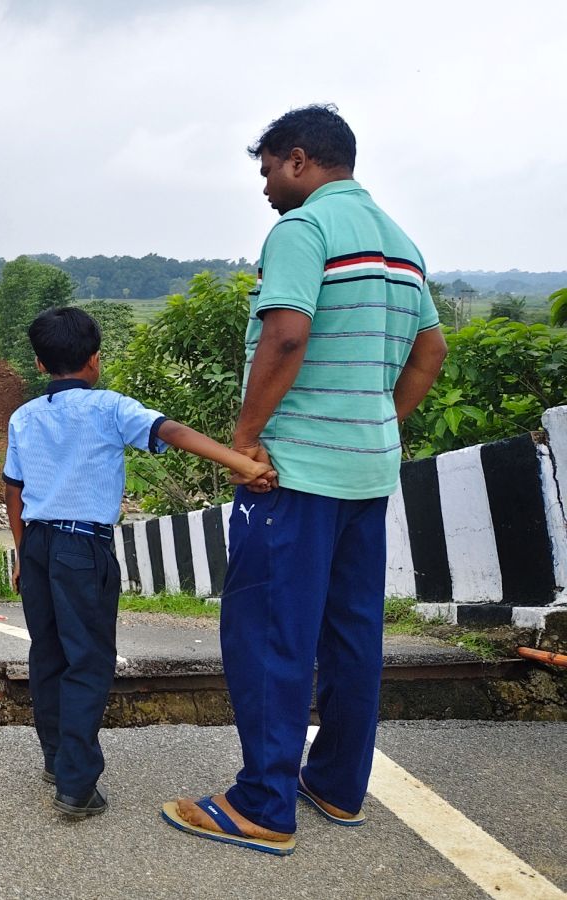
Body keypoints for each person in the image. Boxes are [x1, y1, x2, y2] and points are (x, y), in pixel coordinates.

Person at [162, 105, 446, 856]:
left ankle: (262, 804)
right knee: (352, 634)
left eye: (266, 173)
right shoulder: (401, 243)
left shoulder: (302, 231)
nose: (264, 190)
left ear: (297, 160)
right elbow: (430, 353)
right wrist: (374, 420)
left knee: (267, 633)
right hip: (366, 469)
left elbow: (287, 333)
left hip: (294, 476)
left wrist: (247, 438)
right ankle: (336, 785)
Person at [4, 306, 272, 819]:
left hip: (36, 544)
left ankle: (57, 759)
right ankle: (76, 785)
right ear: (95, 359)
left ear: (40, 365)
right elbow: (172, 432)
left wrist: (20, 552)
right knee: (88, 661)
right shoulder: (109, 408)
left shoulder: (23, 417)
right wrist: (240, 462)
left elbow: (13, 490)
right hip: (82, 547)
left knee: (49, 655)